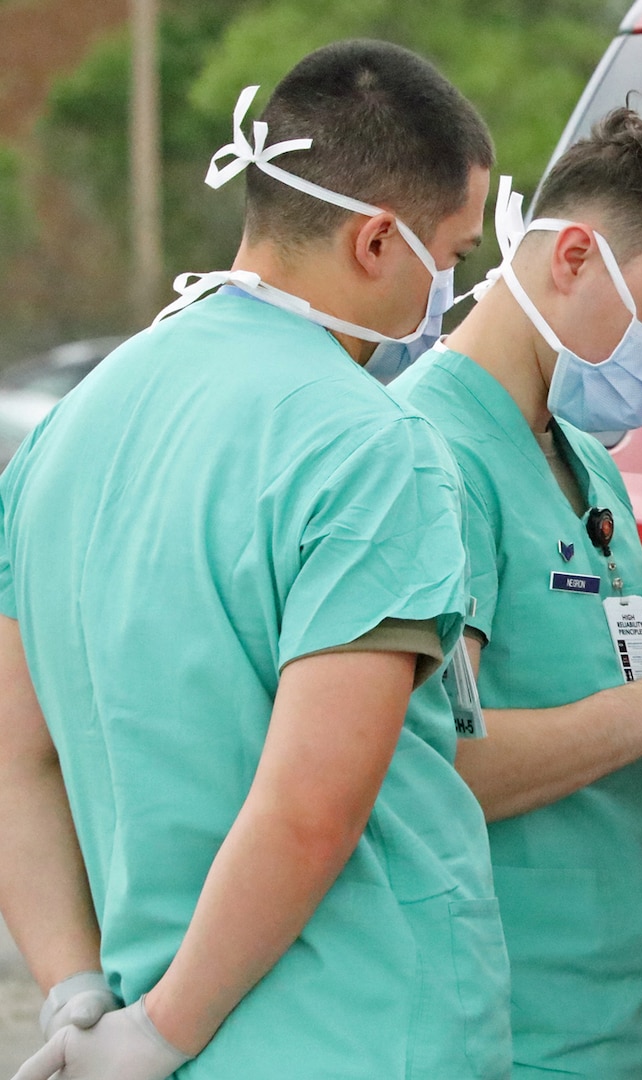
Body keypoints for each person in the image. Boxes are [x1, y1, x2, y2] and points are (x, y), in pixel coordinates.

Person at [0, 40, 513, 1080]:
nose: (451, 291)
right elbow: (309, 808)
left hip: (153, 1022)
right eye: (452, 255)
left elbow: (17, 758)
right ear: (377, 241)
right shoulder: (372, 448)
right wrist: (165, 1034)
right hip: (367, 1033)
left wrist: (81, 997)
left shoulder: (66, 428)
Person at [387, 107, 642, 1079]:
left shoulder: (587, 469)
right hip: (507, 1039)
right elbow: (429, 771)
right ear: (571, 256)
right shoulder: (427, 458)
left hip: (624, 1027)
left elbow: (597, 706)